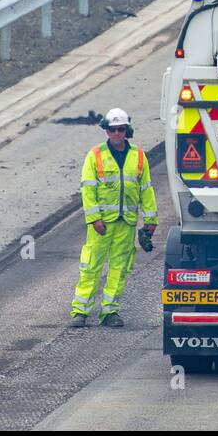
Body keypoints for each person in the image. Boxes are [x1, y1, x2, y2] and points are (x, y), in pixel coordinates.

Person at [69, 107, 156, 328]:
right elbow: (87, 190)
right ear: (106, 131)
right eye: (112, 130)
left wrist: (151, 219)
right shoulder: (95, 155)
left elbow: (146, 188)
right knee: (91, 266)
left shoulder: (138, 156)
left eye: (121, 129)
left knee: (120, 268)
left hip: (126, 222)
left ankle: (110, 312)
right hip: (101, 224)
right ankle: (80, 311)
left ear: (127, 130)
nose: (116, 134)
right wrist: (94, 218)